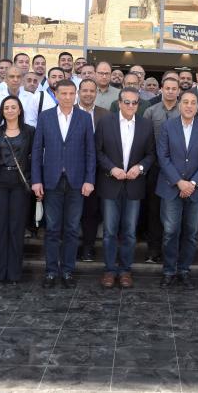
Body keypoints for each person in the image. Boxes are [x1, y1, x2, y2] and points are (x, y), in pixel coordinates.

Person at [31, 79, 96, 289]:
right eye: (63, 93)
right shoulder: (45, 117)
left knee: (72, 229)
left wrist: (89, 179)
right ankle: (51, 271)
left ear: (75, 95)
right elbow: (37, 150)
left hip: (77, 182)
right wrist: (36, 180)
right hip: (51, 181)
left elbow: (90, 152)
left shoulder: (84, 118)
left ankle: (67, 271)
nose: (67, 97)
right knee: (52, 229)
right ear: (56, 95)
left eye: (71, 93)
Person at [95, 87, 155, 288]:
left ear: (139, 104)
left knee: (129, 232)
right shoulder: (105, 122)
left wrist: (140, 168)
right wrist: (112, 168)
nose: (130, 105)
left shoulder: (146, 125)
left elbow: (151, 155)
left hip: (134, 185)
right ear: (119, 103)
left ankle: (125, 270)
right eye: (126, 102)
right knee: (110, 232)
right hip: (110, 183)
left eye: (134, 102)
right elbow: (98, 151)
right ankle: (110, 270)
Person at [156, 91, 198, 289]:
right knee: (170, 231)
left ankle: (184, 271)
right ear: (180, 105)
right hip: (171, 187)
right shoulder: (168, 126)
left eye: (193, 103)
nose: (189, 106)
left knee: (191, 232)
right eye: (186, 102)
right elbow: (163, 157)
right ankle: (169, 271)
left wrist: (192, 183)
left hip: (197, 189)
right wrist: (179, 182)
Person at [0, 96, 35, 284]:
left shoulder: (30, 131)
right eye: (6, 108)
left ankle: (14, 274)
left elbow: (35, 159)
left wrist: (34, 182)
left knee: (16, 228)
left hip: (20, 184)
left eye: (14, 107)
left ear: (20, 110)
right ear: (2, 111)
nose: (10, 110)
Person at [142, 77, 181, 263]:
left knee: (174, 213)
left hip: (179, 170)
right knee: (154, 210)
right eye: (168, 88)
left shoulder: (184, 110)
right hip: (155, 168)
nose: (171, 91)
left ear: (178, 91)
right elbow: (144, 139)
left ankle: (172, 252)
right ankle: (154, 250)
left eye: (174, 88)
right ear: (161, 90)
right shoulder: (151, 111)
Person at [77, 79, 110, 262]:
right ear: (79, 92)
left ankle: (88, 248)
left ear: (96, 93)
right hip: (73, 170)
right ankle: (71, 246)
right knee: (72, 211)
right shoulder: (69, 111)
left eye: (92, 91)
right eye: (85, 90)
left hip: (97, 170)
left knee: (91, 211)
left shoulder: (105, 114)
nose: (88, 94)